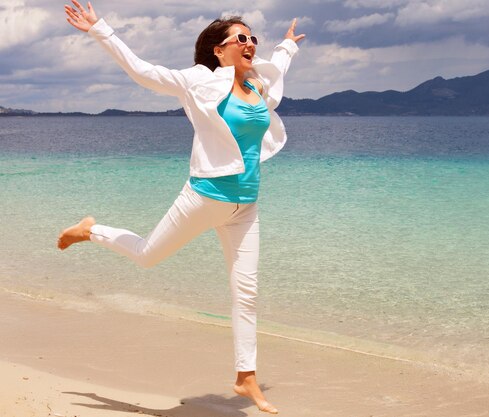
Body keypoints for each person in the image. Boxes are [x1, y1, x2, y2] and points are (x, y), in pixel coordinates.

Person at [59, 1, 305, 414]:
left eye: (253, 39)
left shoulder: (258, 85)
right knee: (147, 256)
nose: (250, 44)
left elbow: (278, 73)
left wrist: (286, 47)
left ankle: (246, 378)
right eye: (241, 38)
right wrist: (100, 29)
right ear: (218, 50)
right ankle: (90, 230)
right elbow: (143, 71)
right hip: (205, 198)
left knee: (246, 294)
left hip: (246, 205)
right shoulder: (199, 82)